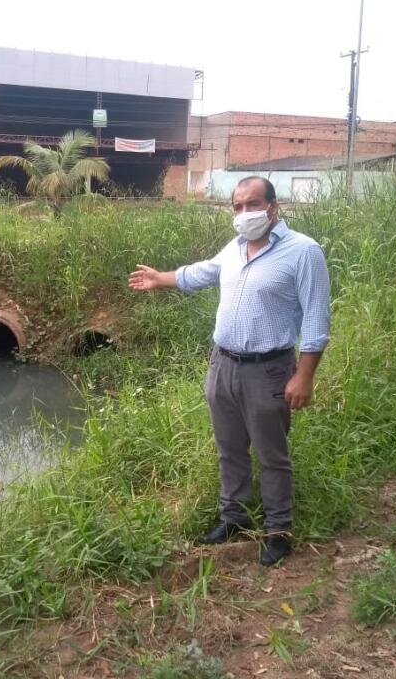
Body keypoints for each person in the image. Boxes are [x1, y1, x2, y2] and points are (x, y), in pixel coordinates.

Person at [128, 177, 330, 566]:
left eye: (252, 204)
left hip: (269, 371)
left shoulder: (303, 252)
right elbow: (200, 273)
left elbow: (318, 320)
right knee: (230, 449)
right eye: (237, 207)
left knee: (273, 456)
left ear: (273, 207)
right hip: (223, 365)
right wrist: (161, 279)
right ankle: (233, 518)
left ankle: (278, 530)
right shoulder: (235, 248)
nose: (243, 213)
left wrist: (304, 376)